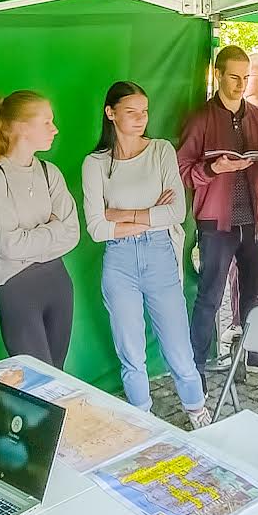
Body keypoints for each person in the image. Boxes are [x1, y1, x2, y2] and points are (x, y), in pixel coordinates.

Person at [82, 81, 209, 428]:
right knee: (130, 352)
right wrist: (148, 214)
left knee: (178, 349)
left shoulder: (161, 151)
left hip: (160, 256)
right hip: (118, 260)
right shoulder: (94, 164)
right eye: (131, 112)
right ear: (111, 114)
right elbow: (95, 228)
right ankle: (141, 423)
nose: (141, 119)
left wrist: (119, 214)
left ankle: (198, 412)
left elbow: (175, 212)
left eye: (145, 112)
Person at [179, 45, 258, 379]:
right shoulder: (200, 119)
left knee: (256, 292)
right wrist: (213, 170)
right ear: (218, 75)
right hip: (215, 222)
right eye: (234, 77)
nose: (240, 84)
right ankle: (195, 365)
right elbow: (182, 170)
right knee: (210, 296)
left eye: (245, 77)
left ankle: (256, 353)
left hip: (255, 220)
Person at [0, 90, 80, 368]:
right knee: (38, 378)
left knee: (58, 375)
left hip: (58, 281)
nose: (54, 129)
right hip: (16, 288)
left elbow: (73, 233)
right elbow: (8, 246)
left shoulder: (50, 172)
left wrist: (32, 237)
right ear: (20, 127)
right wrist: (53, 228)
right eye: (46, 122)